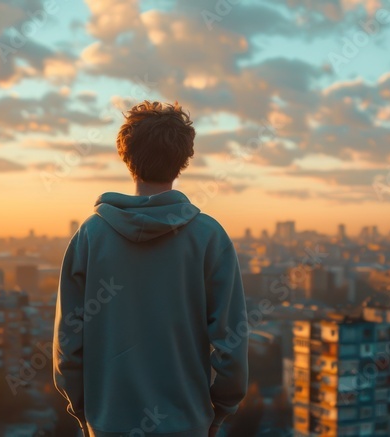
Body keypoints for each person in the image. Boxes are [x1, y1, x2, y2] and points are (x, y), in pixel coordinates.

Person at [53, 101, 249, 437]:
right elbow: (232, 344)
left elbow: (66, 346)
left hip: (108, 424)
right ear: (183, 159)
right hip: (187, 424)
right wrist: (218, 413)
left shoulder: (90, 236)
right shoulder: (208, 237)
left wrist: (85, 413)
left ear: (126, 156)